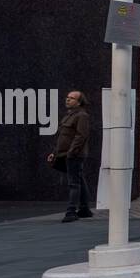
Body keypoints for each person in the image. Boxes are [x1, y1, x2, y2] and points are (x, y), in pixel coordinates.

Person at [49, 90, 91, 223]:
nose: (67, 99)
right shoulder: (68, 116)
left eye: (72, 98)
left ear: (79, 102)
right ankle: (84, 209)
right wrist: (54, 153)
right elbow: (63, 137)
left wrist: (71, 153)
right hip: (65, 154)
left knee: (74, 183)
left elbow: (81, 136)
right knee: (78, 179)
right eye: (67, 97)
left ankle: (71, 212)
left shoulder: (82, 116)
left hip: (74, 155)